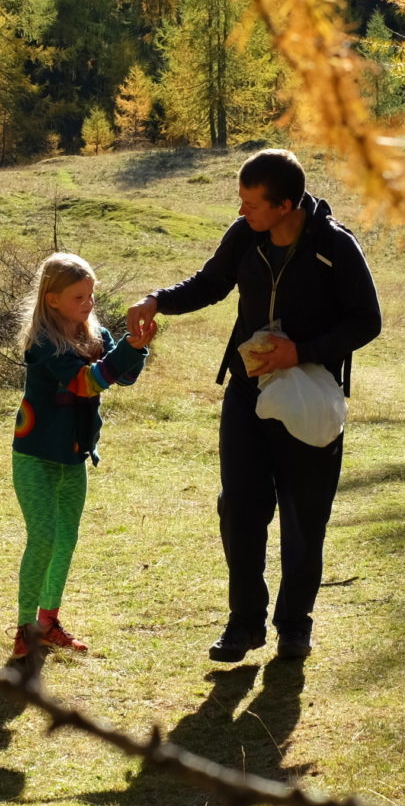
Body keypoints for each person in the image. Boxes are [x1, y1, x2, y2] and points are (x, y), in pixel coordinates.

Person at [125, 149, 380, 662]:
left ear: (286, 204)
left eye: (251, 204)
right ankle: (244, 625)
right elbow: (210, 283)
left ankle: (294, 626)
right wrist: (157, 299)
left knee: (304, 517)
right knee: (238, 508)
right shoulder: (245, 236)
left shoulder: (335, 247)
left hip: (309, 399)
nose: (242, 213)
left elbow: (366, 321)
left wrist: (301, 351)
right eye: (240, 203)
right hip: (247, 392)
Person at [10, 251, 154, 661]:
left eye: (91, 295)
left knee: (66, 540)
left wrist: (136, 346)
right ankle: (24, 629)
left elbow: (123, 377)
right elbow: (85, 384)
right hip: (36, 455)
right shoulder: (42, 343)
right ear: (52, 299)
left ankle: (48, 622)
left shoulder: (96, 335)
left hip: (73, 456)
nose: (88, 303)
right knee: (43, 539)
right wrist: (127, 348)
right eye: (79, 297)